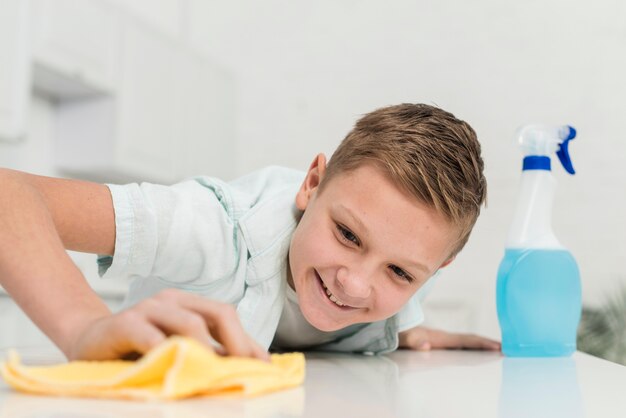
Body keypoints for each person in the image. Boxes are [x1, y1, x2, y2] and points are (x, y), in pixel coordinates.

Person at [0, 103, 499, 362]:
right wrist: (84, 326)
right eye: (348, 235)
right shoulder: (214, 230)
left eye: (398, 273)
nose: (353, 284)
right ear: (311, 184)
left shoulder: (415, 256)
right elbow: (8, 193)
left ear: (436, 270)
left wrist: (405, 331)